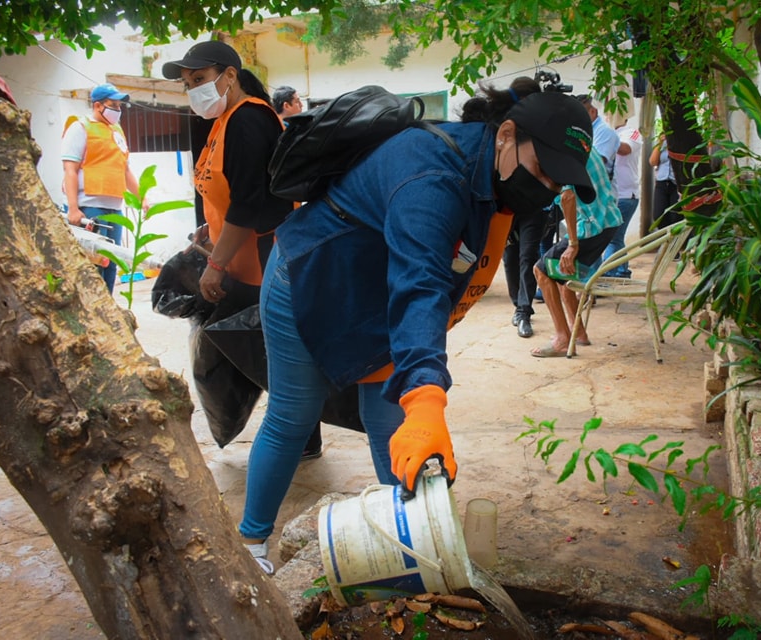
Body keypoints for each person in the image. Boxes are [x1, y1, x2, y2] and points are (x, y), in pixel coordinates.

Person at [236, 82, 596, 568]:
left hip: (374, 291)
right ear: (507, 134)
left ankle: (415, 544)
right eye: (544, 172)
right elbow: (421, 285)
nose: (548, 190)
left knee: (391, 419)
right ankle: (252, 544)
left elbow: (428, 282)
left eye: (560, 184)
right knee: (294, 414)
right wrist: (428, 397)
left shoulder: (488, 167)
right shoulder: (431, 175)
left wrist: (418, 395)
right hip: (309, 278)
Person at [161, 41, 323, 467]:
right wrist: (209, 228)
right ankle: (299, 430)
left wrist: (215, 266)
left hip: (264, 255)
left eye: (198, 80)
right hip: (240, 253)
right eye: (187, 84)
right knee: (260, 345)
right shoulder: (223, 120)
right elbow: (224, 191)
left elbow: (249, 203)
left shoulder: (249, 118)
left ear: (229, 75)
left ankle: (301, 434)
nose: (192, 89)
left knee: (275, 346)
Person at [530, 150, 622, 358]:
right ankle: (578, 332)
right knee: (563, 274)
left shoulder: (561, 152)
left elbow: (568, 197)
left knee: (541, 271)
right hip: (606, 221)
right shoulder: (581, 144)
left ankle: (562, 338)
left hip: (592, 225)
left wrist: (572, 244)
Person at [61, 83, 141, 294]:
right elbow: (70, 170)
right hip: (90, 207)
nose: (118, 110)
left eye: (119, 105)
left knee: (112, 261)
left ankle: (109, 306)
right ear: (98, 106)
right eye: (112, 105)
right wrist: (73, 208)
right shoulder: (80, 128)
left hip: (115, 208)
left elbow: (125, 170)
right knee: (94, 263)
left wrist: (142, 198)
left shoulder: (116, 131)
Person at [502, 78, 548, 338]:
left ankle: (523, 310)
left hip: (534, 204)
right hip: (508, 206)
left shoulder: (543, 127)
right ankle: (516, 304)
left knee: (527, 256)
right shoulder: (504, 126)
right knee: (509, 257)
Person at [599, 123, 644, 278]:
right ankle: (621, 270)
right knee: (615, 237)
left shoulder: (632, 132)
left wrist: (608, 140)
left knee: (613, 237)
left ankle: (607, 275)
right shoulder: (605, 131)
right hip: (610, 194)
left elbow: (625, 150)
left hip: (626, 195)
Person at [650, 133, 681, 228]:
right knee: (658, 216)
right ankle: (664, 240)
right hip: (662, 181)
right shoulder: (662, 142)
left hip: (677, 184)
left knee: (675, 217)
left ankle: (674, 241)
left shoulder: (683, 141)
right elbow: (653, 162)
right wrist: (660, 143)